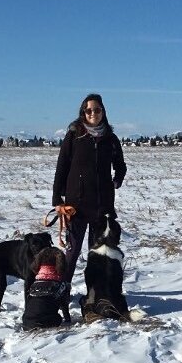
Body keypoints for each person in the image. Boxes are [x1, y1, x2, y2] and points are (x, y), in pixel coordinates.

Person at [51, 93, 127, 288]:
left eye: (97, 109)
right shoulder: (74, 135)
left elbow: (120, 165)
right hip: (75, 206)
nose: (93, 113)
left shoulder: (111, 139)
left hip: (102, 207)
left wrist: (116, 181)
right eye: (89, 110)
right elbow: (62, 167)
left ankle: (97, 292)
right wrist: (57, 199)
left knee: (97, 252)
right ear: (83, 113)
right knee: (72, 251)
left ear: (103, 112)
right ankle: (63, 290)